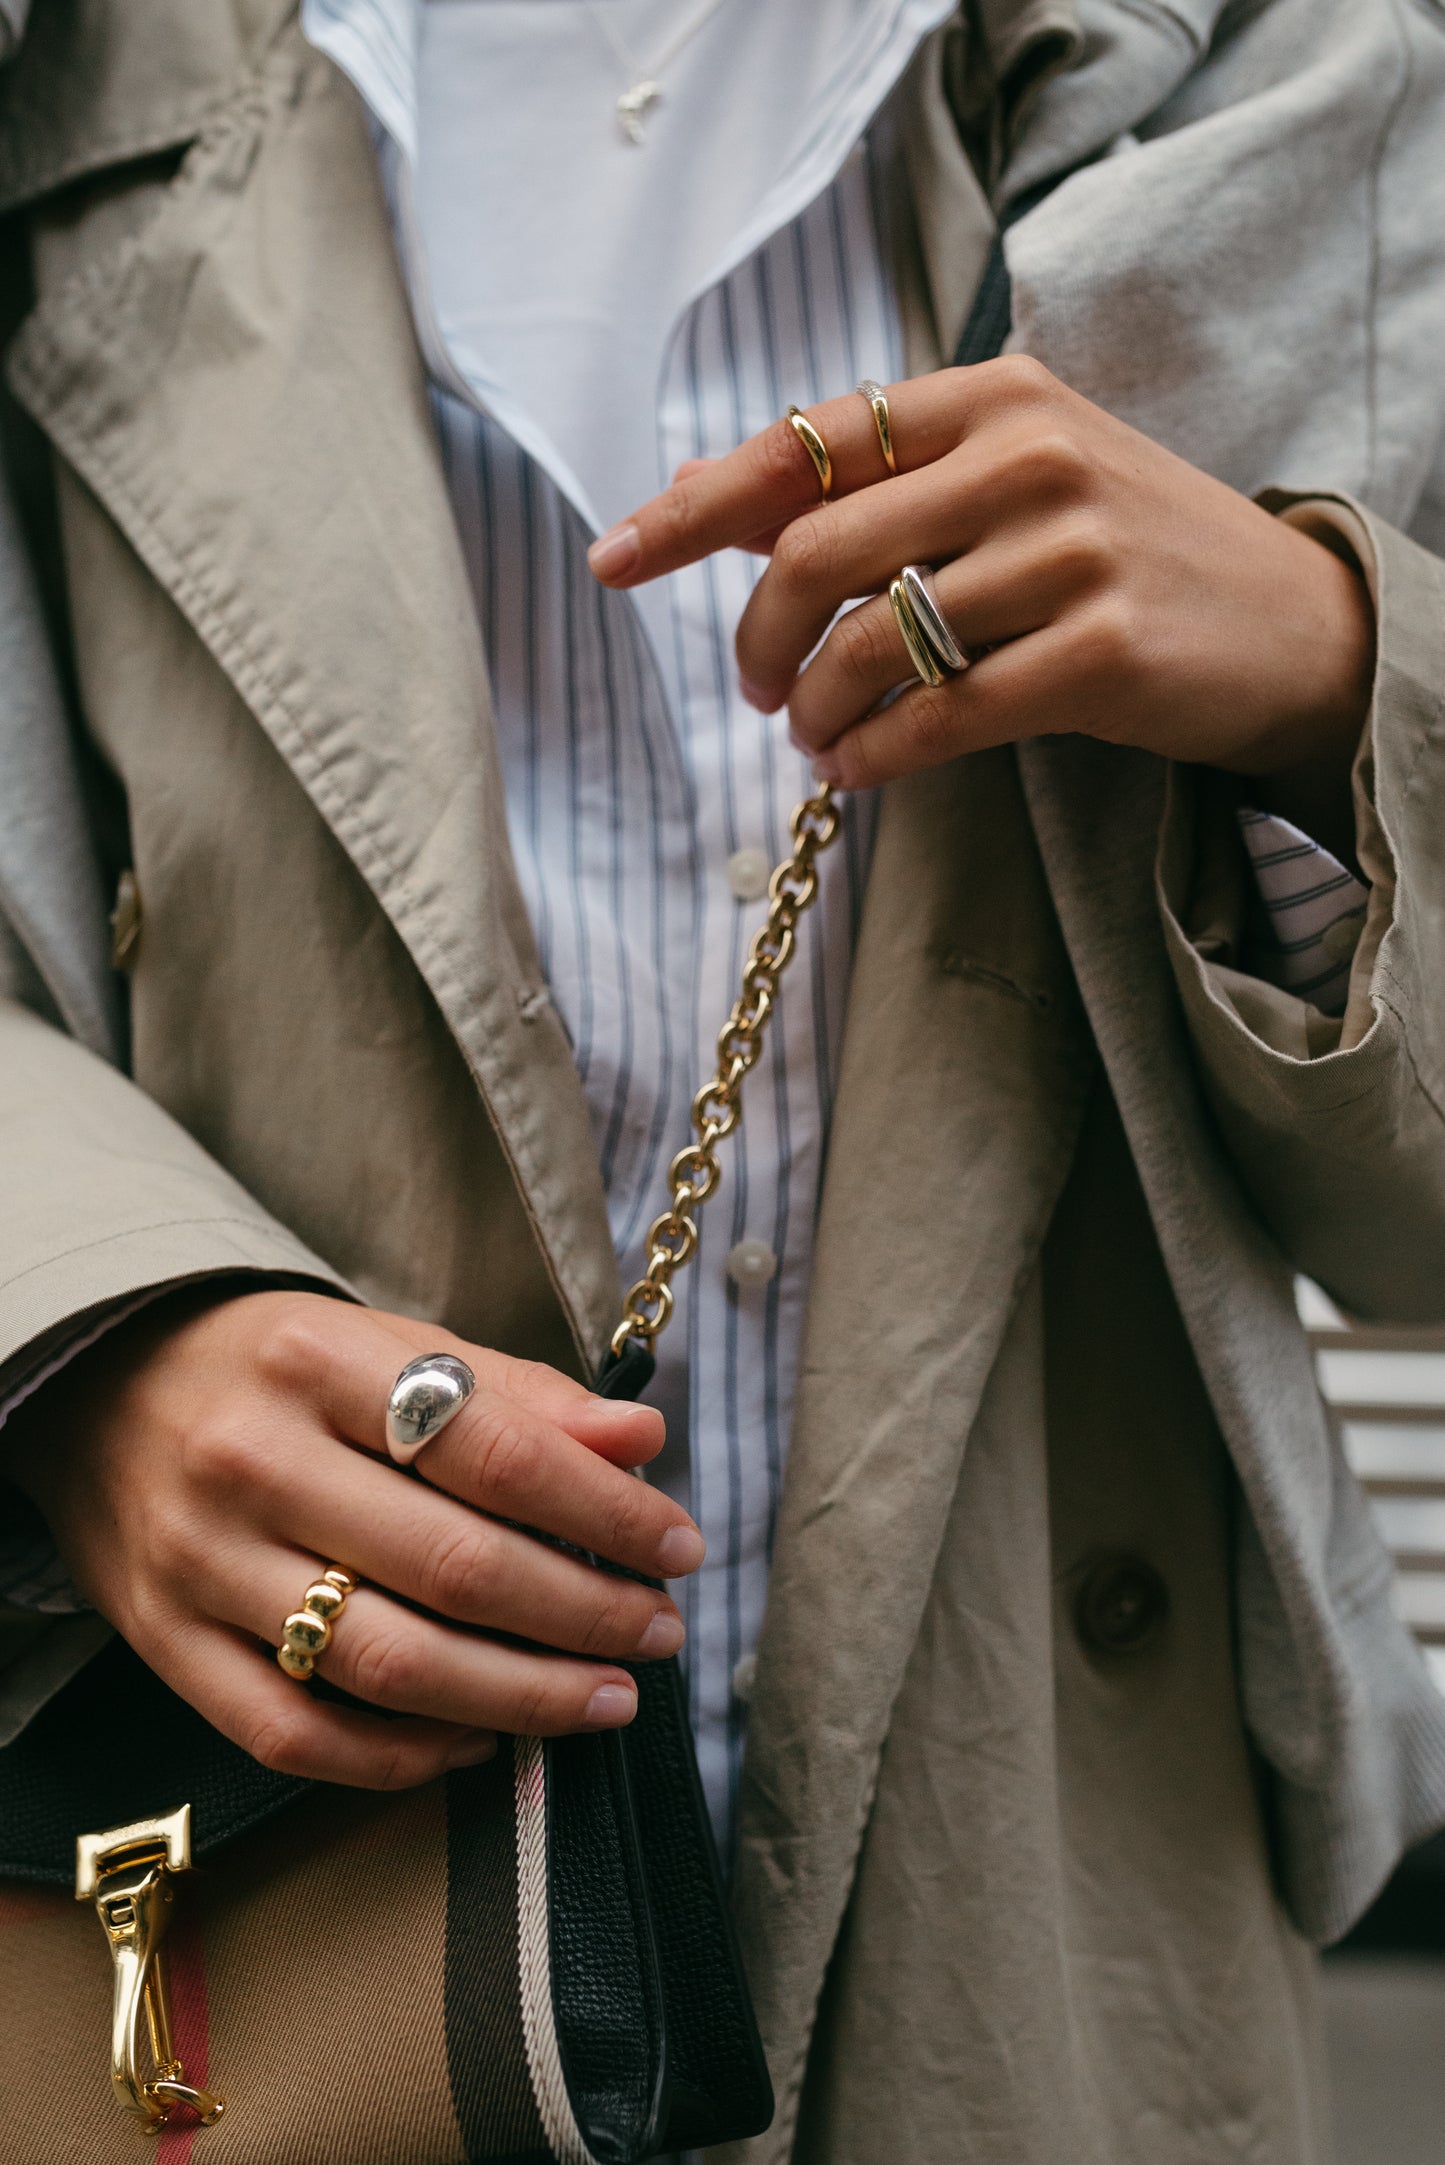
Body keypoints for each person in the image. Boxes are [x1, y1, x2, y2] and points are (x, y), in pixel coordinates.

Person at [0, 0, 1443, 2157]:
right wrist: (89, 1355)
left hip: (1058, 1918)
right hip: (279, 1915)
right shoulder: (64, 81)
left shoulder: (1307, 79)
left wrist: (1334, 679)